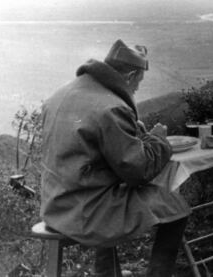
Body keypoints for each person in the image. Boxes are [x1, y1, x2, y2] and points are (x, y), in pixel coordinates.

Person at [40, 39, 191, 277]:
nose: (136, 90)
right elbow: (138, 171)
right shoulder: (111, 107)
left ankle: (107, 272)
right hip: (85, 212)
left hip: (55, 204)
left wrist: (130, 135)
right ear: (130, 76)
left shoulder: (61, 93)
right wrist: (157, 140)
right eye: (137, 84)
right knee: (176, 207)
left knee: (110, 191)